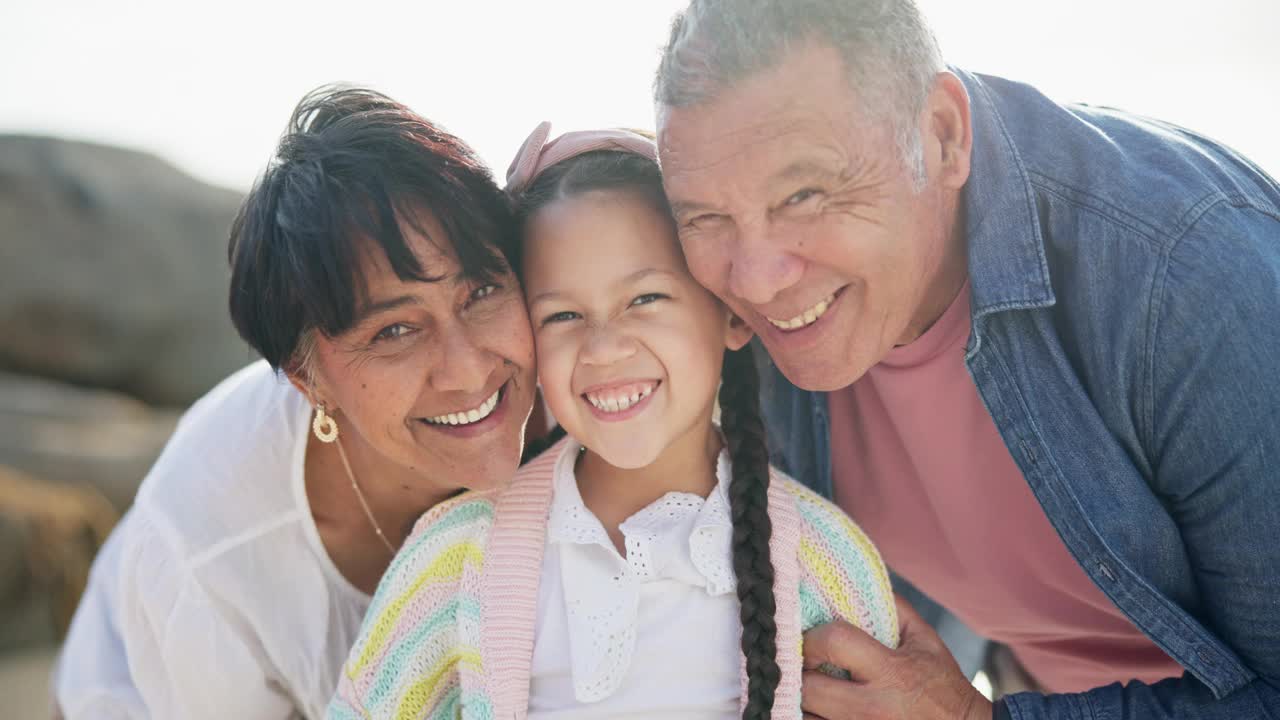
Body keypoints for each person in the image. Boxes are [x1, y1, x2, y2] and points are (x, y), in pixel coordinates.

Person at [652, 1, 1280, 719]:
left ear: (942, 135)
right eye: (704, 216)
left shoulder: (1187, 279)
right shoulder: (715, 300)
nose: (756, 280)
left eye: (804, 194)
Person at [327, 124, 900, 720]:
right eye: (564, 315)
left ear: (731, 313)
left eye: (645, 299)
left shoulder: (826, 563)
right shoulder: (455, 559)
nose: (602, 349)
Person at [54, 86, 540, 719]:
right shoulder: (210, 559)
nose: (469, 368)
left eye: (480, 292)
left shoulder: (574, 383)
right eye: (394, 331)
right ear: (308, 382)